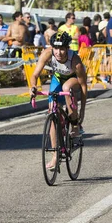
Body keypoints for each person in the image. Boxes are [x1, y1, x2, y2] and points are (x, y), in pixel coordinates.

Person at [29, 32, 88, 169]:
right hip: (57, 78)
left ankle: (74, 124)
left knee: (67, 87)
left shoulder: (75, 61)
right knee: (52, 110)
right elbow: (35, 75)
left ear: (68, 48)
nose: (59, 52)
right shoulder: (47, 53)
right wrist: (33, 87)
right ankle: (55, 155)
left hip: (73, 80)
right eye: (56, 48)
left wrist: (82, 112)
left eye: (62, 49)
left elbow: (84, 86)